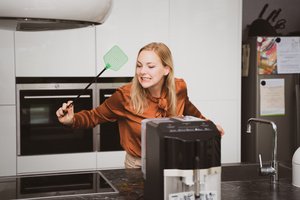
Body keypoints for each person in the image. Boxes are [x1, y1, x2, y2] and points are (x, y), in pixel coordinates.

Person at [56, 42, 224, 168]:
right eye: (139, 65)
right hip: (137, 165)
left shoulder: (179, 88)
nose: (142, 71)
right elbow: (95, 116)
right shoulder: (125, 96)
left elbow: (188, 109)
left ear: (167, 69)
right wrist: (72, 120)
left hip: (173, 161)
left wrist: (208, 125)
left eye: (150, 66)